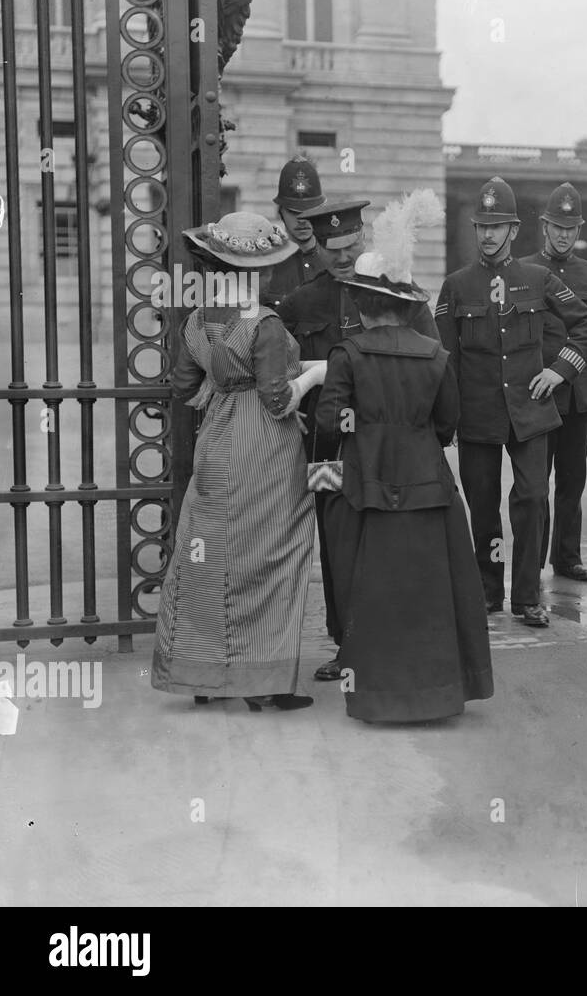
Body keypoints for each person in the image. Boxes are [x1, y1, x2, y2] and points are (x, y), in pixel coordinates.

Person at [314, 191, 493, 722]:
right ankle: (436, 693)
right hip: (426, 486)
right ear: (404, 305)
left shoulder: (347, 355)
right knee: (430, 592)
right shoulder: (435, 355)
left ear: (364, 306)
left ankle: (377, 695)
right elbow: (446, 424)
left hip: (364, 485)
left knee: (368, 590)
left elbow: (330, 421)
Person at [152, 212, 316, 712]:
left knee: (207, 553)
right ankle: (263, 680)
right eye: (264, 268)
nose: (268, 275)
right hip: (265, 445)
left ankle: (203, 674)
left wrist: (223, 384)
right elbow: (276, 398)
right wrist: (316, 374)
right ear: (254, 273)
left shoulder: (197, 321)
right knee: (273, 551)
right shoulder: (264, 323)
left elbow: (183, 388)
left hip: (217, 439)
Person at [278, 197, 442, 681]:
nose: (343, 257)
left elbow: (433, 358)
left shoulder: (398, 292)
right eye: (332, 249)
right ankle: (346, 644)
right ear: (319, 247)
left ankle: (393, 641)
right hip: (327, 449)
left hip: (387, 446)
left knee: (391, 542)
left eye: (350, 246)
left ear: (364, 239)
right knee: (337, 541)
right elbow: (280, 367)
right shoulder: (302, 302)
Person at [435, 177, 587, 628]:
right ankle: (489, 591)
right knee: (483, 507)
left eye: (497, 226)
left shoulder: (539, 278)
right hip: (479, 416)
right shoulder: (455, 287)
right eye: (481, 227)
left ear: (513, 230)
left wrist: (559, 370)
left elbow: (586, 326)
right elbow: (444, 362)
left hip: (531, 412)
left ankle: (527, 597)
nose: (488, 235)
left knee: (531, 498)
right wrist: (444, 425)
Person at [520, 182, 587, 581]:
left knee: (573, 481)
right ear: (545, 226)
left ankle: (567, 558)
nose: (564, 234)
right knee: (536, 483)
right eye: (557, 226)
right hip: (542, 393)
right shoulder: (526, 270)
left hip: (581, 396)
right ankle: (535, 560)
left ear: (579, 231)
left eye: (571, 228)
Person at [262, 155, 328, 309]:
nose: (302, 219)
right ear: (280, 212)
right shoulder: (266, 264)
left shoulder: (334, 261)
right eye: (294, 212)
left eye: (309, 211)